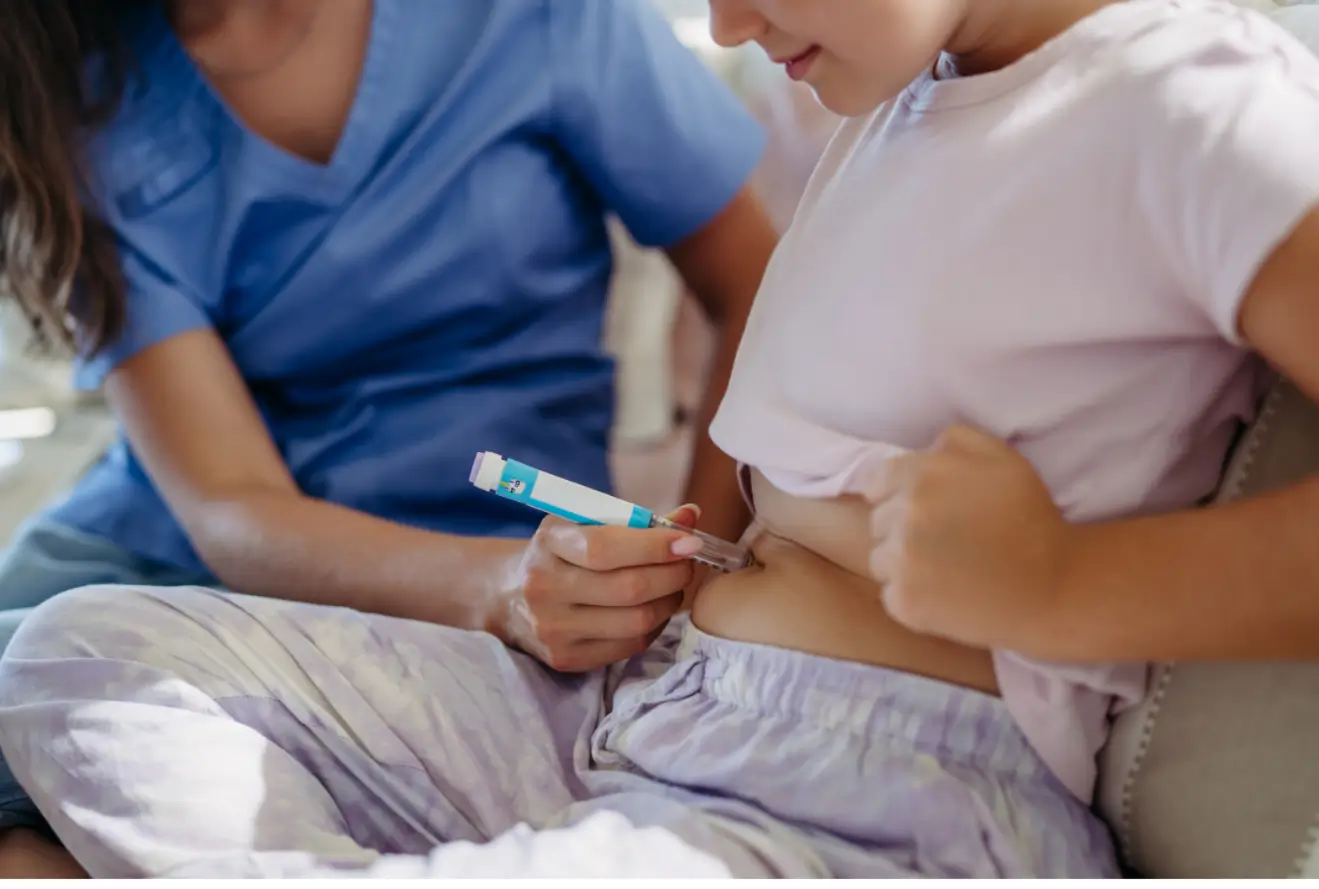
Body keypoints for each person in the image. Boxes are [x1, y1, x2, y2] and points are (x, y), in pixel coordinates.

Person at [4, 0, 1316, 878]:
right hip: (647, 707)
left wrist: (1064, 590)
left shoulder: (1186, 97)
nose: (725, 23)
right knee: (74, 650)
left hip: (876, 793)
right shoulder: (899, 107)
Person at [0, 0, 777, 874]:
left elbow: (754, 284)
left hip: (501, 576)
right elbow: (230, 505)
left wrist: (680, 579)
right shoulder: (64, 92)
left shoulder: (536, 15)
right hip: (167, 553)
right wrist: (499, 591)